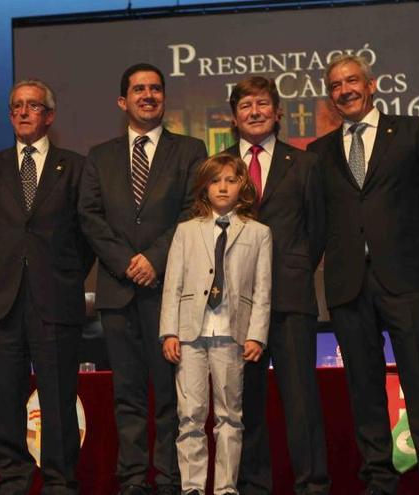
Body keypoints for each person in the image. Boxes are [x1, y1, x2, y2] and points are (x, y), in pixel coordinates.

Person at [306, 55, 419, 495]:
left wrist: (410, 247)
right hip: (348, 284)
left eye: (352, 80)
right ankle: (378, 476)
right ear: (330, 96)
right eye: (335, 85)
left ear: (371, 85)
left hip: (405, 277)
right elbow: (320, 220)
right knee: (363, 384)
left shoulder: (411, 131)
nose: (344, 90)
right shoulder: (320, 152)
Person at [78, 63, 207, 495]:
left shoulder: (190, 150)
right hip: (118, 291)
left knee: (171, 395)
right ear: (123, 101)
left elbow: (194, 211)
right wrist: (126, 261)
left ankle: (169, 477)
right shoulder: (99, 156)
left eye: (155, 89)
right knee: (127, 393)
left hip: (170, 289)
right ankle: (133, 478)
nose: (147, 95)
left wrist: (154, 259)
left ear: (163, 98)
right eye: (138, 89)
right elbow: (90, 217)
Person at [0, 79, 93, 495]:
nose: (22, 112)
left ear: (49, 116)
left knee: (58, 397)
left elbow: (86, 234)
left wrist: (65, 273)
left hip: (56, 297)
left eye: (33, 106)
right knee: (3, 398)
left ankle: (59, 481)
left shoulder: (74, 166)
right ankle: (13, 479)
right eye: (16, 106)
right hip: (3, 300)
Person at [221, 76, 329, 495]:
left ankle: (313, 485)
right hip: (235, 305)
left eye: (262, 103)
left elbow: (317, 230)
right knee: (245, 404)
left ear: (278, 112)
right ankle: (252, 485)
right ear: (234, 117)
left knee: (301, 400)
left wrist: (293, 269)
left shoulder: (304, 164)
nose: (254, 111)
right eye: (245, 105)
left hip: (290, 297)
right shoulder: (219, 167)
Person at [159, 154, 271, 495]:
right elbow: (172, 284)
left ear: (243, 187)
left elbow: (263, 289)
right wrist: (169, 331)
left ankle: (225, 488)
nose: (223, 187)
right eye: (215, 181)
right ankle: (192, 487)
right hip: (191, 333)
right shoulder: (186, 231)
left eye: (231, 180)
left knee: (229, 416)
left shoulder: (258, 233)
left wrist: (256, 335)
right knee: (190, 414)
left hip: (231, 334)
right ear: (204, 188)